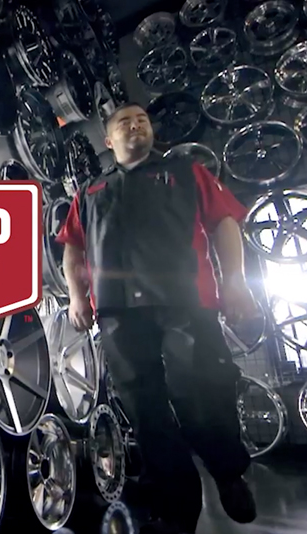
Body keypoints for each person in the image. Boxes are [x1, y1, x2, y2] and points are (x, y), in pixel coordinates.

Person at [55, 102, 257, 534]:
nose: (135, 125)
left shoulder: (186, 172)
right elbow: (73, 248)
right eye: (124, 122)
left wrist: (236, 282)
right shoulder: (90, 192)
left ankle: (227, 471)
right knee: (145, 410)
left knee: (200, 387)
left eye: (142, 120)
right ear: (108, 140)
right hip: (118, 313)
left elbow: (224, 222)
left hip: (185, 301)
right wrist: (77, 297)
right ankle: (176, 506)